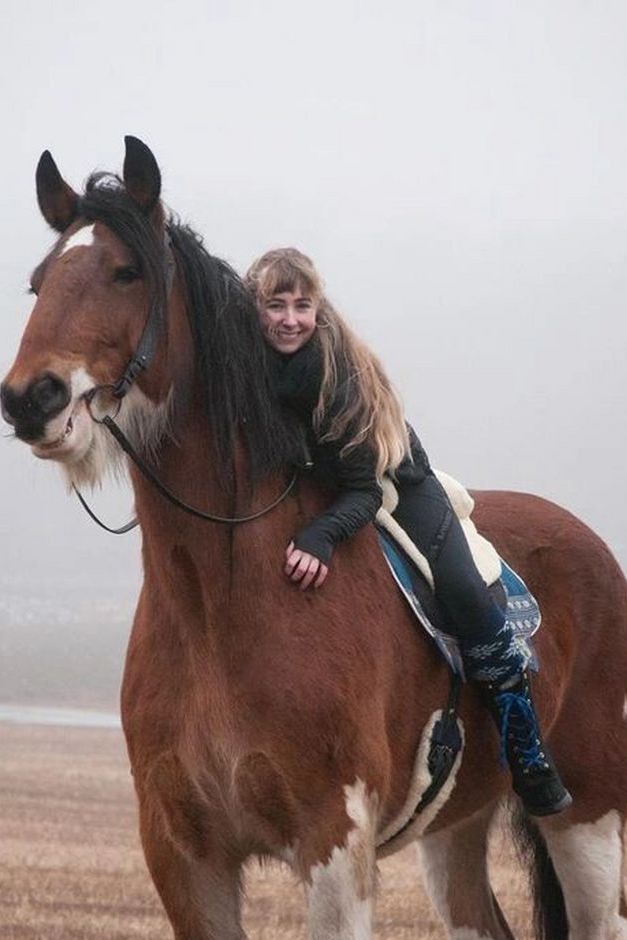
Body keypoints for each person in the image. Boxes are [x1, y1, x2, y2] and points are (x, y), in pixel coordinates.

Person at [244, 248, 571, 817]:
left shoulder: (337, 376)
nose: (290, 319)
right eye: (276, 305)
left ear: (318, 309)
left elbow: (364, 491)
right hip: (316, 483)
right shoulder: (245, 366)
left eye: (302, 305)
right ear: (256, 310)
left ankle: (528, 754)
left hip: (392, 481)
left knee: (466, 595)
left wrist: (321, 537)